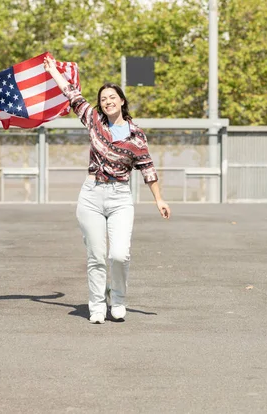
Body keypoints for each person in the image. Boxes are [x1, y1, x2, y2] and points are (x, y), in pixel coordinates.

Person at [43, 56, 171, 324]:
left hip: (120, 197)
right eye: (103, 99)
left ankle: (119, 299)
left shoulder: (136, 134)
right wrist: (54, 71)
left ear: (122, 101)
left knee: (119, 254)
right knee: (97, 255)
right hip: (91, 195)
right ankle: (97, 304)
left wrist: (159, 199)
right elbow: (72, 94)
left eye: (112, 97)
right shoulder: (94, 121)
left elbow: (147, 167)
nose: (107, 102)